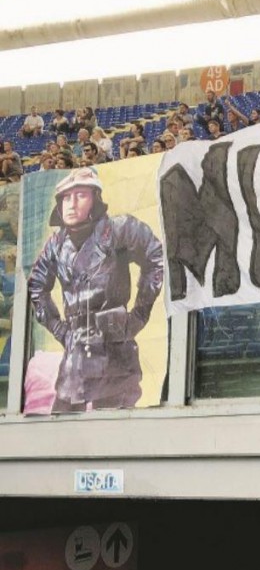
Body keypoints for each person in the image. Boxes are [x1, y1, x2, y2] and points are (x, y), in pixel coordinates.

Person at [27, 167, 164, 412]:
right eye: (66, 198)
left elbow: (155, 256)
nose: (72, 203)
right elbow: (37, 285)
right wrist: (59, 329)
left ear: (95, 199)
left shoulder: (120, 229)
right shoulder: (56, 244)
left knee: (112, 432)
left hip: (115, 353)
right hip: (75, 357)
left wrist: (140, 314)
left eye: (81, 195)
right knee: (61, 424)